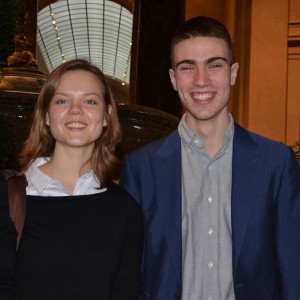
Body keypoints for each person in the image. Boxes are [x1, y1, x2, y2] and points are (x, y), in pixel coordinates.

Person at [120, 16, 300, 299]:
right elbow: (129, 272)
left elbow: (293, 270)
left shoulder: (275, 163)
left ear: (233, 73)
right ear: (173, 79)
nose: (201, 80)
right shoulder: (141, 168)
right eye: (188, 67)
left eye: (215, 65)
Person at [0, 59, 143, 300]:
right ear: (46, 115)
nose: (75, 110)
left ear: (107, 115)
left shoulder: (125, 210)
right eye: (62, 100)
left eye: (89, 101)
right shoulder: (8, 198)